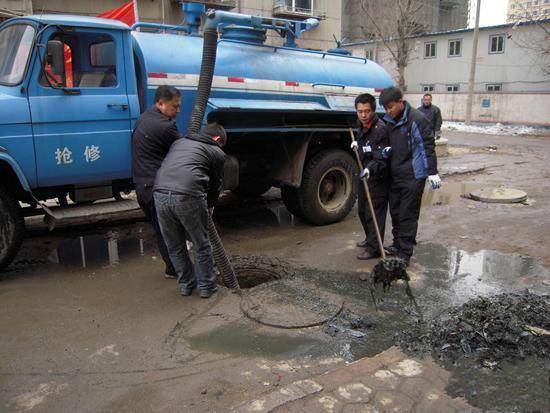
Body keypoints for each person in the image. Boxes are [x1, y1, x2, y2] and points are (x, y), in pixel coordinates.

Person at [153, 123, 227, 299]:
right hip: (187, 195)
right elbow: (215, 186)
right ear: (217, 139)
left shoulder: (179, 143)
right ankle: (206, 287)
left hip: (159, 194)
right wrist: (210, 206)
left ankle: (186, 285)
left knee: (175, 245)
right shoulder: (216, 152)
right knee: (201, 244)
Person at [379, 87, 441, 266]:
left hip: (414, 175)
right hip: (396, 173)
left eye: (390, 107)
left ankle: (405, 252)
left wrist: (432, 172)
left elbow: (427, 147)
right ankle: (397, 244)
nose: (388, 111)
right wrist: (385, 151)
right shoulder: (389, 120)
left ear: (400, 101)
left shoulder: (417, 119)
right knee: (396, 212)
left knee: (408, 214)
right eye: (385, 108)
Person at [132, 85, 183, 279]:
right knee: (170, 231)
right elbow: (182, 153)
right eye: (174, 106)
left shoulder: (143, 118)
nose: (177, 111)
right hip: (155, 189)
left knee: (163, 229)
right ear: (160, 103)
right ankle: (177, 270)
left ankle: (174, 268)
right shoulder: (166, 126)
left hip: (141, 187)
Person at [351, 93, 392, 260]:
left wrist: (370, 169)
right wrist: (357, 146)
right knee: (362, 211)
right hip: (365, 175)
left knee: (373, 213)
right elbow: (365, 148)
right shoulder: (361, 126)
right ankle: (370, 239)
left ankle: (374, 248)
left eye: (366, 111)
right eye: (360, 111)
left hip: (378, 176)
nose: (363, 115)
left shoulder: (380, 129)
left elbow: (382, 157)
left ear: (373, 110)